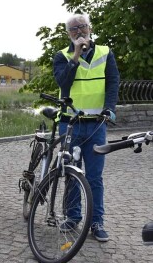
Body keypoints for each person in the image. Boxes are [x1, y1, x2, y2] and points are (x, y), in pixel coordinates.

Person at [53, 13, 120, 242]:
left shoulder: (105, 53)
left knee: (94, 177)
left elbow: (113, 82)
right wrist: (75, 56)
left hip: (96, 125)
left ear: (90, 28)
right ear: (68, 34)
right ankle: (73, 217)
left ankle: (97, 222)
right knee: (71, 173)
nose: (79, 32)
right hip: (70, 124)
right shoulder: (62, 56)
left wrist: (109, 108)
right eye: (74, 29)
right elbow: (63, 82)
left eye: (83, 27)